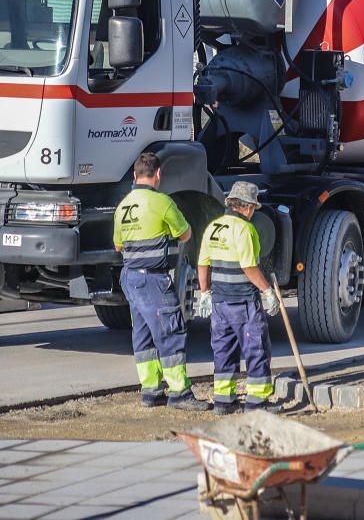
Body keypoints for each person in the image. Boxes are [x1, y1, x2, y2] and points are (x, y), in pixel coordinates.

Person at [113, 152, 208, 411]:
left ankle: (151, 390)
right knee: (170, 332)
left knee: (142, 335)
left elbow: (118, 245)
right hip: (153, 279)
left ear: (134, 175)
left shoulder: (123, 206)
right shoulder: (162, 202)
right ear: (157, 175)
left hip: (130, 278)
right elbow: (186, 233)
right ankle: (179, 393)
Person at [195, 181, 282, 415]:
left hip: (220, 304)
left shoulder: (213, 227)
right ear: (248, 207)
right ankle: (256, 404)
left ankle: (224, 402)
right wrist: (267, 291)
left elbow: (203, 263)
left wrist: (205, 293)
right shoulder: (245, 230)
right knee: (257, 350)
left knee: (223, 351)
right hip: (243, 302)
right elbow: (249, 267)